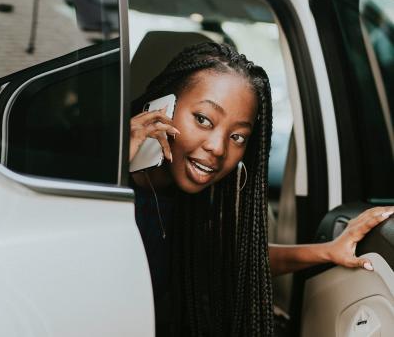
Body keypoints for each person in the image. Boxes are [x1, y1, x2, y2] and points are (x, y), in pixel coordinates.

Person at [128, 42, 393, 337]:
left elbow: (235, 259)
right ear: (163, 107)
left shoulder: (194, 206)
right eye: (203, 120)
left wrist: (328, 251)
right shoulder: (94, 182)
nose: (217, 147)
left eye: (238, 137)